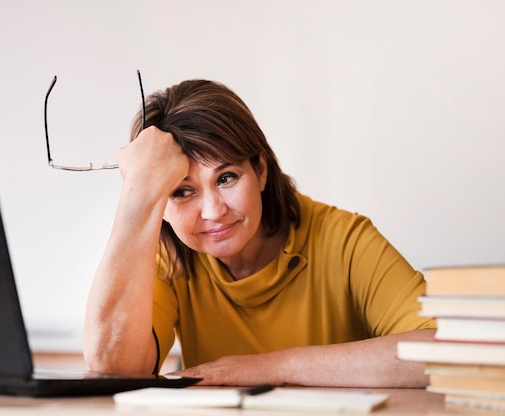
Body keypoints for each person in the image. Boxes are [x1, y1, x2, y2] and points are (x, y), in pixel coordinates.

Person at [83, 79, 436, 387]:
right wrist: (138, 192)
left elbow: (442, 350)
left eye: (226, 178)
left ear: (261, 170)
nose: (213, 212)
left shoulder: (344, 239)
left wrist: (272, 366)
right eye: (181, 191)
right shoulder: (169, 257)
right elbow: (113, 369)